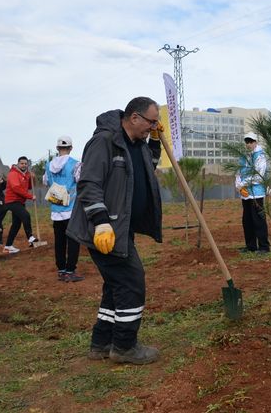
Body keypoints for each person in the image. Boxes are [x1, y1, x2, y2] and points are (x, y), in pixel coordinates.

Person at [67, 97, 163, 365]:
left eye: (156, 123)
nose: (153, 126)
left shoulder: (136, 144)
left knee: (115, 285)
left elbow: (148, 166)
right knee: (132, 282)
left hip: (121, 228)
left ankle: (102, 343)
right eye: (151, 122)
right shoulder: (105, 142)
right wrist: (101, 221)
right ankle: (124, 346)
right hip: (104, 230)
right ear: (134, 118)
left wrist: (155, 140)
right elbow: (88, 184)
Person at [44, 136, 84, 282]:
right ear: (71, 148)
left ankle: (61, 270)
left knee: (59, 240)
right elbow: (81, 181)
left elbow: (46, 181)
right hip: (71, 207)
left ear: (57, 149)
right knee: (73, 239)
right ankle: (70, 270)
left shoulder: (49, 165)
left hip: (56, 208)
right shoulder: (75, 164)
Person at [235, 132, 270, 254]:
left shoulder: (260, 156)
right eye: (247, 142)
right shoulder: (245, 156)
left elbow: (259, 176)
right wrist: (238, 184)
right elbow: (239, 172)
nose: (249, 144)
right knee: (247, 220)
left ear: (256, 142)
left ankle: (264, 247)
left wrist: (243, 183)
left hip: (257, 193)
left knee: (258, 220)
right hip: (245, 195)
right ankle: (250, 246)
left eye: (251, 141)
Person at [4, 156, 37, 254]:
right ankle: (30, 237)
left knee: (16, 224)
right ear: (18, 164)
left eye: (26, 164)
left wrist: (33, 178)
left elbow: (31, 186)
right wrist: (30, 197)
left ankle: (8, 246)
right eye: (22, 163)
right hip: (12, 201)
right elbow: (16, 188)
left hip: (20, 202)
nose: (24, 165)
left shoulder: (26, 174)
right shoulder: (13, 173)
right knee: (26, 215)